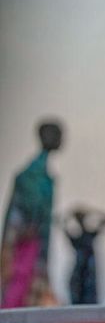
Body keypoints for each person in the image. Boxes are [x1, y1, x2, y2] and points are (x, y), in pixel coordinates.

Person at [1, 119, 64, 309]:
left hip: (33, 244)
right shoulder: (33, 175)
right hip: (27, 245)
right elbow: (21, 212)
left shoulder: (43, 174)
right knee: (20, 288)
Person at [63, 206, 105, 305]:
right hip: (79, 276)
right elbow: (62, 225)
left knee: (89, 301)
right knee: (77, 302)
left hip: (88, 276)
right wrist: (71, 214)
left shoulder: (90, 235)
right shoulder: (77, 239)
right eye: (79, 219)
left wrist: (92, 212)